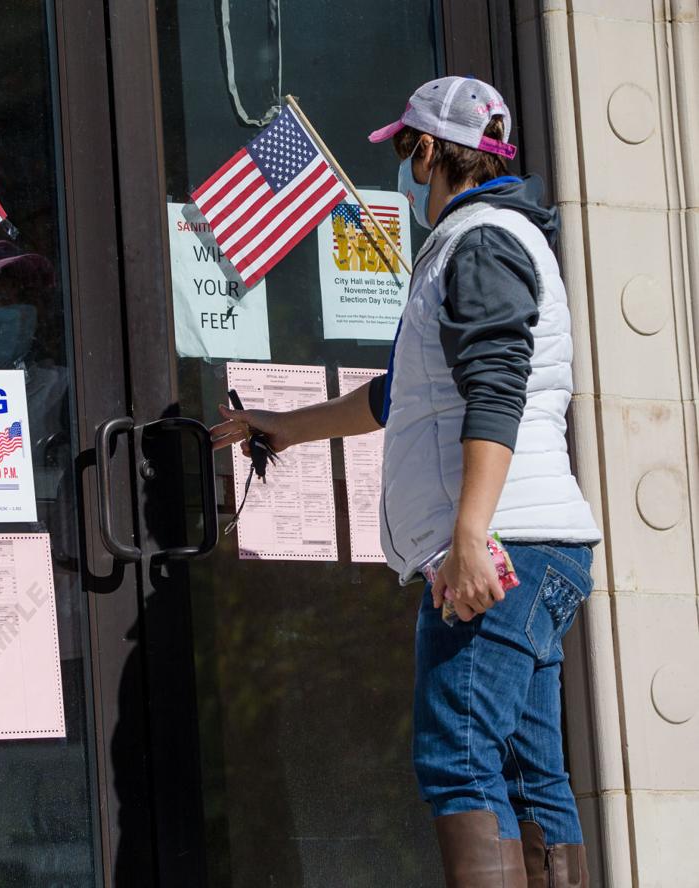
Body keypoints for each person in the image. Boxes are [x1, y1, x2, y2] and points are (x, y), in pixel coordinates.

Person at [212, 77, 601, 887]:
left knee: (457, 760)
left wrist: (467, 538)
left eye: (402, 152)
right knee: (530, 777)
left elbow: (495, 387)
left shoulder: (481, 241)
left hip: (503, 545)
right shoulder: (486, 241)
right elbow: (401, 395)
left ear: (427, 149)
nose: (401, 172)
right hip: (537, 544)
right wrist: (283, 427)